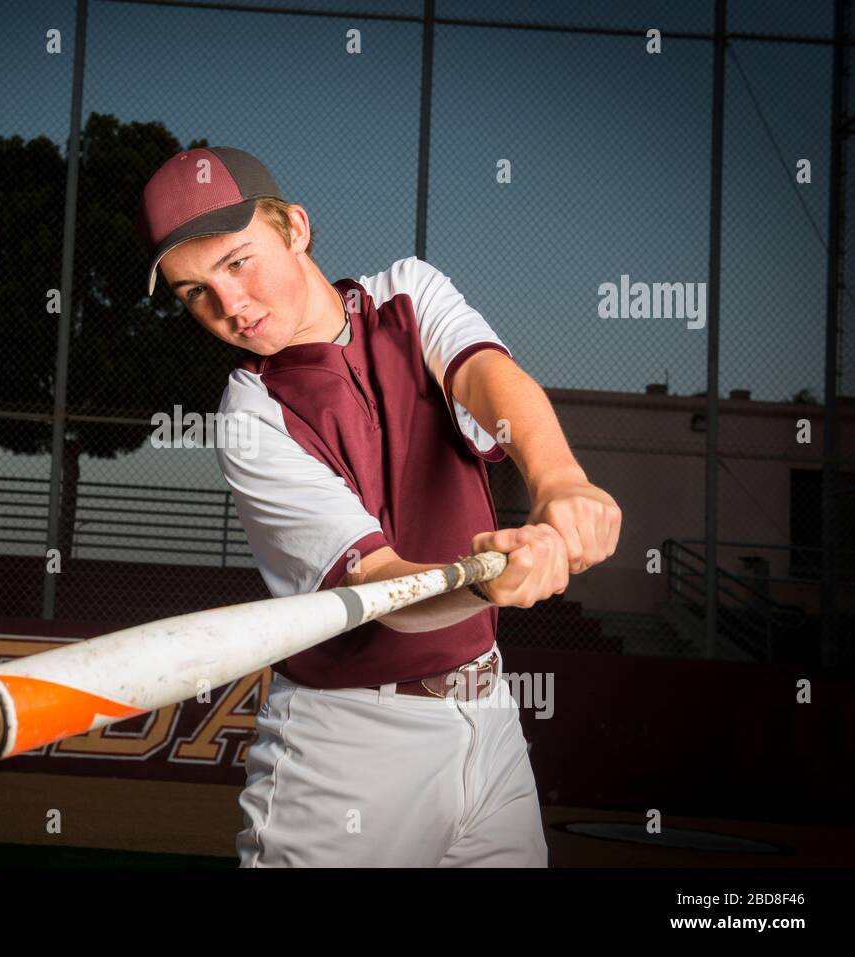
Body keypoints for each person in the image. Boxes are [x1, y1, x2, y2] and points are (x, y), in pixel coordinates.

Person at [137, 146, 621, 867]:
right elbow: (379, 587)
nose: (227, 308)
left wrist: (559, 483)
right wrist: (486, 576)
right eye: (192, 292)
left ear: (296, 228)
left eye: (238, 262)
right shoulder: (250, 413)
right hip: (349, 751)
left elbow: (488, 375)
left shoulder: (406, 293)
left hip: (488, 718)